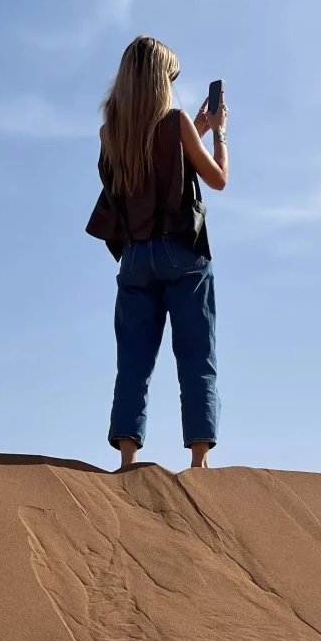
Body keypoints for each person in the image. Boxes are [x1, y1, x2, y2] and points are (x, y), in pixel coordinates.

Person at [86, 35, 229, 471]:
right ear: (159, 80)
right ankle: (199, 461)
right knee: (195, 355)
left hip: (134, 259)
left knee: (133, 360)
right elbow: (218, 178)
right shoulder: (176, 121)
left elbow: (152, 161)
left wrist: (195, 132)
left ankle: (128, 457)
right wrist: (218, 132)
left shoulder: (111, 133)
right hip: (181, 255)